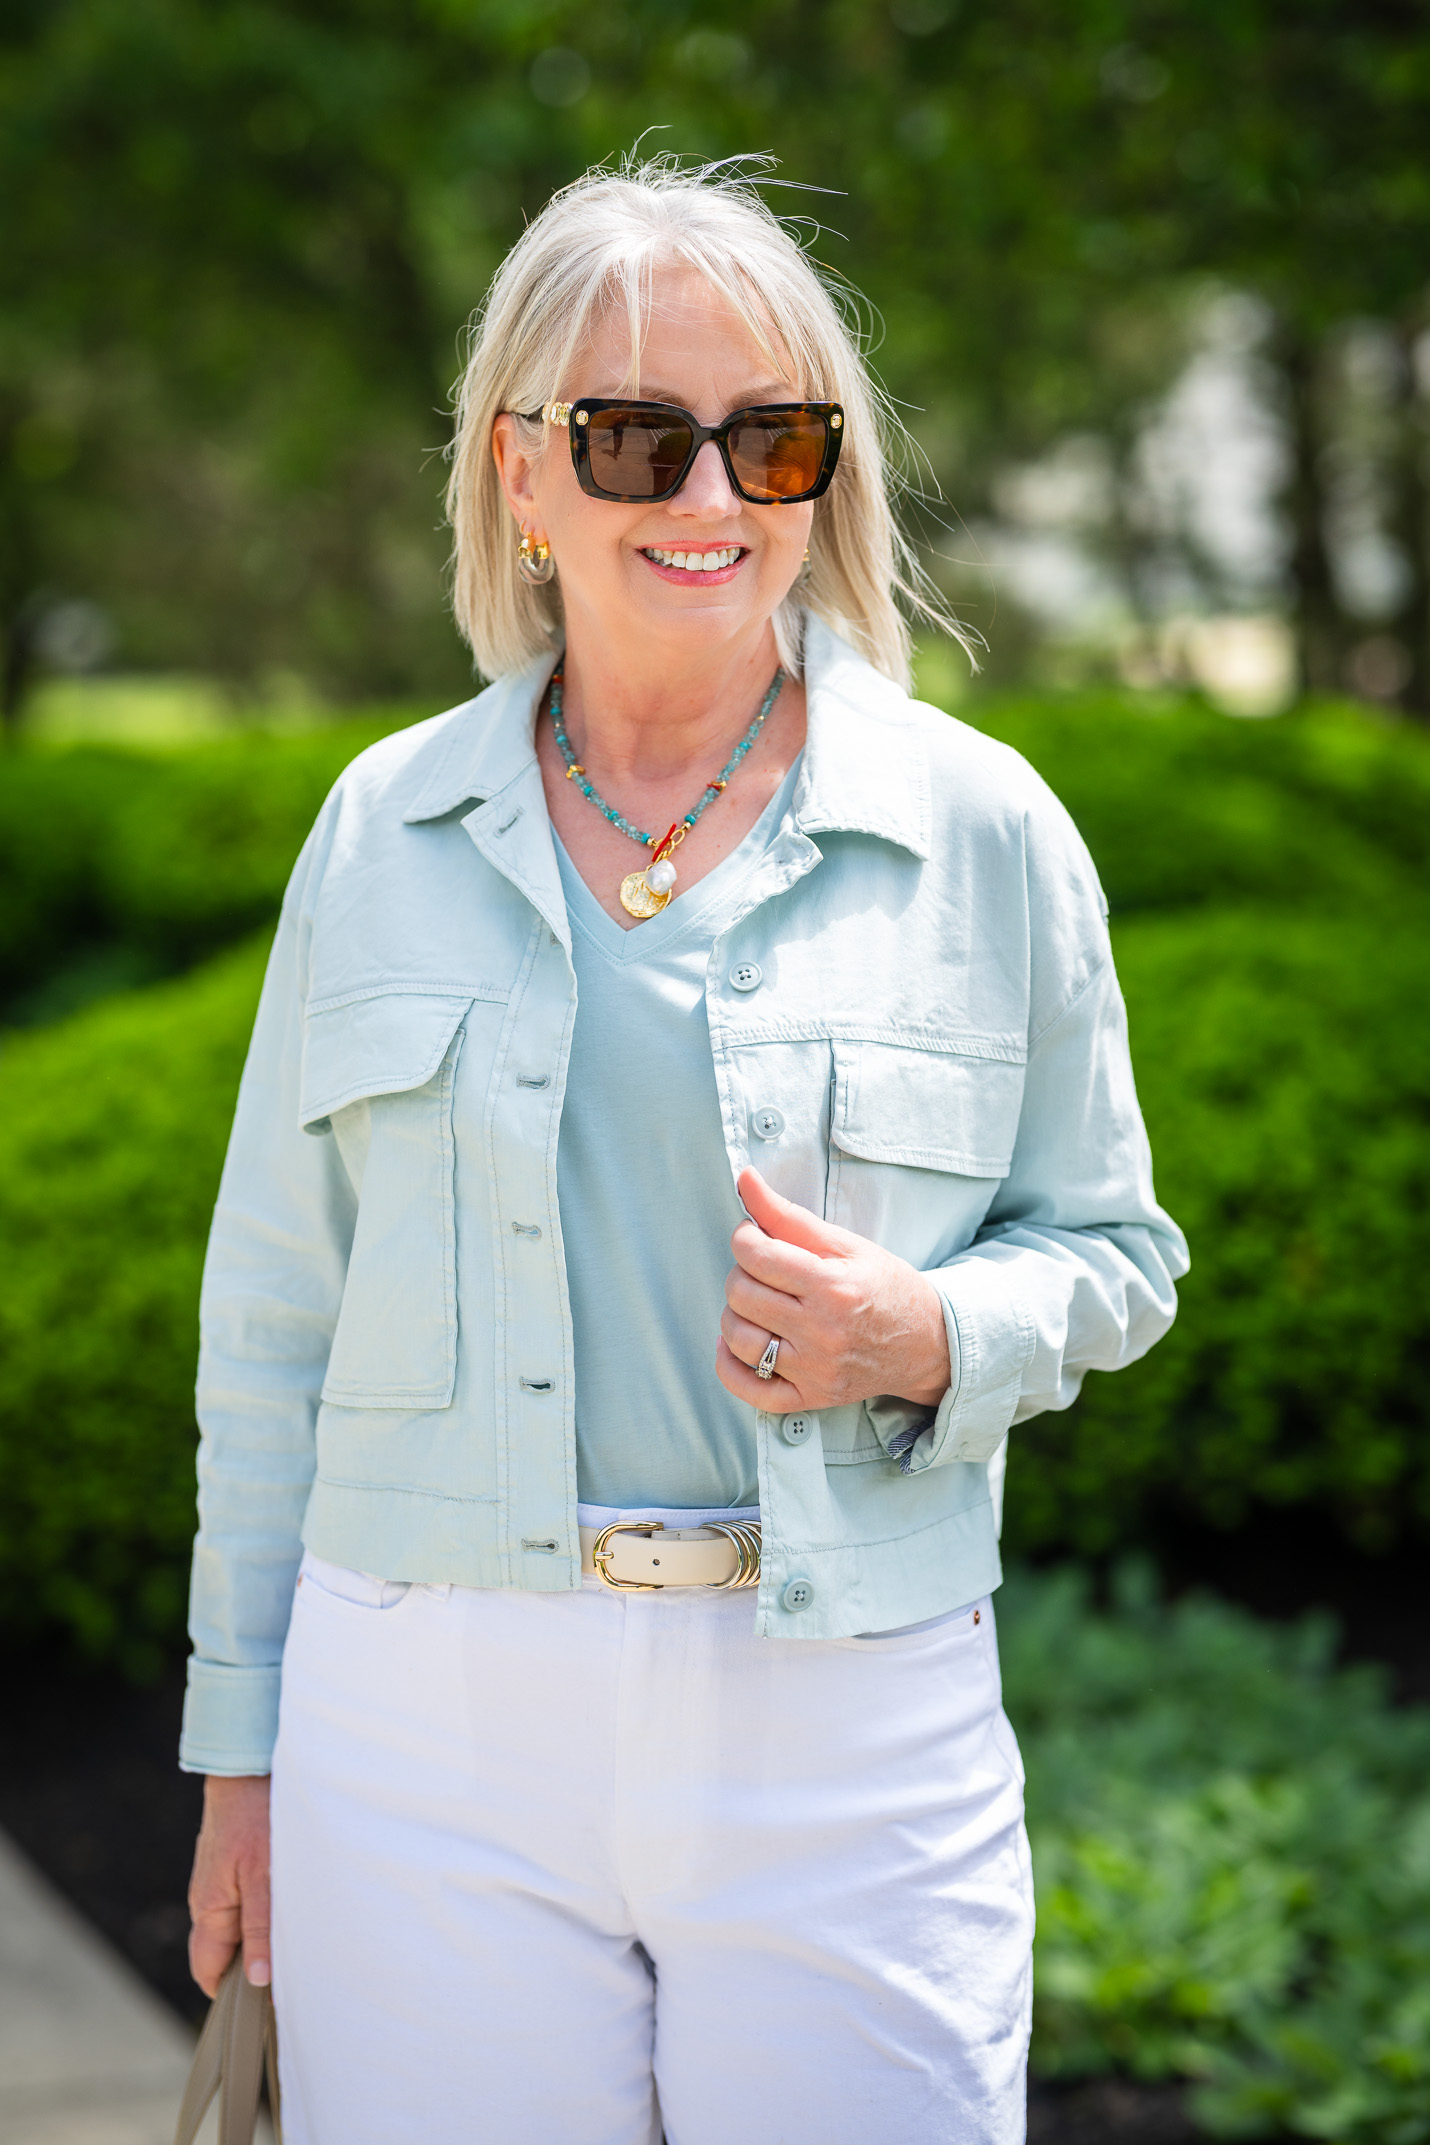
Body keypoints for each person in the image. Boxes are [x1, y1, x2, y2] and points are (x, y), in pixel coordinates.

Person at [182, 157, 1187, 2145]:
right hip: (422, 1717)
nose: (710, 494)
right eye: (636, 437)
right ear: (521, 472)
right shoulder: (379, 830)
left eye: (770, 438)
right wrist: (242, 1741)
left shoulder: (982, 828)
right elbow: (272, 1321)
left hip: (849, 1714)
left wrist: (923, 1328)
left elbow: (1113, 1246)